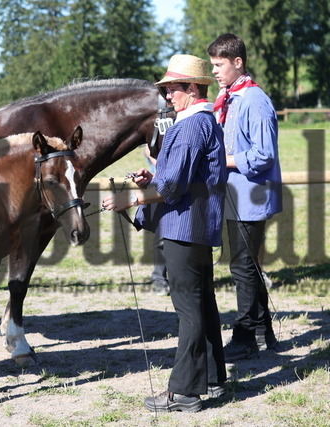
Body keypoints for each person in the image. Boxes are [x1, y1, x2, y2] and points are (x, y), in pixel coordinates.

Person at [102, 54, 227, 412]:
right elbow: (180, 178)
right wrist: (150, 179)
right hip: (194, 226)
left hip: (185, 227)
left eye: (172, 88)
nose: (167, 95)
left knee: (189, 309)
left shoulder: (190, 126)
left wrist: (132, 198)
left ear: (192, 88)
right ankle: (213, 378)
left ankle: (185, 392)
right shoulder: (198, 122)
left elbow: (174, 185)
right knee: (202, 303)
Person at [208, 33, 283, 360]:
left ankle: (245, 337)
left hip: (250, 195)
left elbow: (264, 154)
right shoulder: (230, 97)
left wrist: (221, 160)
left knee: (242, 269)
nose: (214, 71)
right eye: (212, 65)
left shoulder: (253, 100)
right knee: (246, 266)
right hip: (235, 193)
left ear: (238, 62)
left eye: (219, 64)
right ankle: (264, 331)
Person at [142, 145, 170, 296]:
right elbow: (147, 148)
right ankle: (159, 277)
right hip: (161, 178)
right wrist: (163, 164)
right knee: (162, 234)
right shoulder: (160, 121)